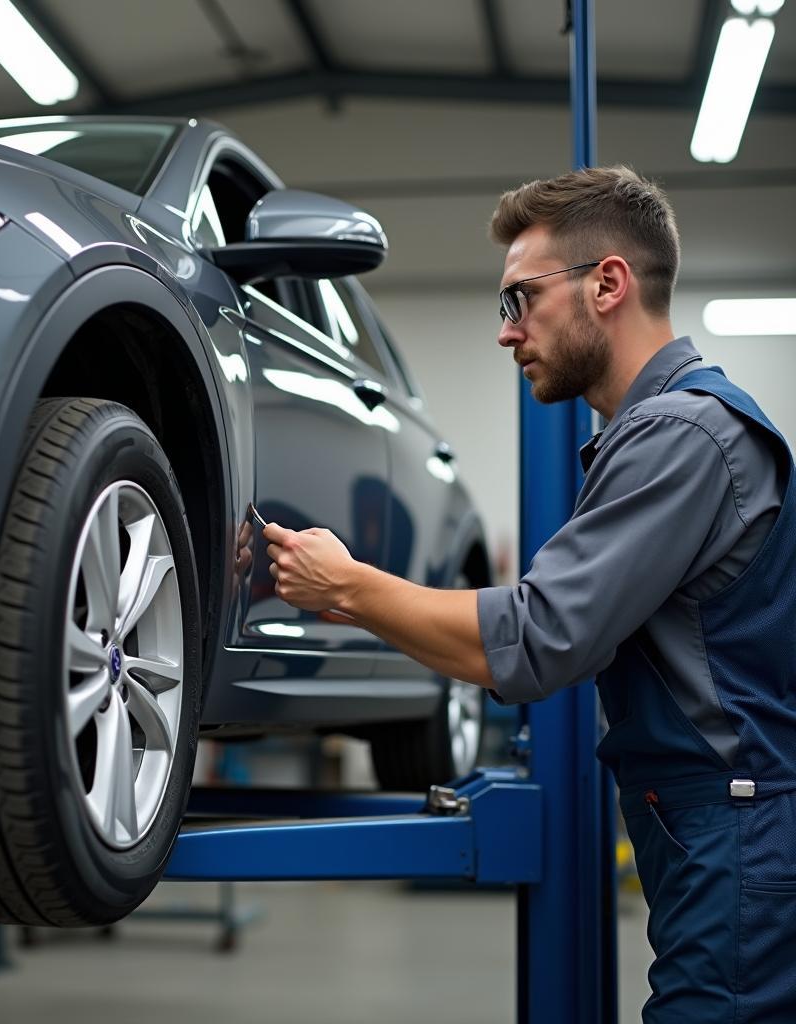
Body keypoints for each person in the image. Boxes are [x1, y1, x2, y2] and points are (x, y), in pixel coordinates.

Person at [262, 166, 795, 1023]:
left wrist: (352, 586)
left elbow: (540, 638)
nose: (507, 334)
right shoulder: (665, 434)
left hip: (737, 831)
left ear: (608, 284)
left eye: (520, 301)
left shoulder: (683, 436)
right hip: (714, 824)